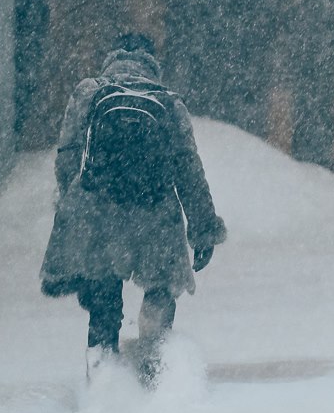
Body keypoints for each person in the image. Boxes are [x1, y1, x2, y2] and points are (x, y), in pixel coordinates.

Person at [40, 33, 226, 384]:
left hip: (99, 211)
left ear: (112, 58)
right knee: (160, 289)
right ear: (152, 63)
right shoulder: (168, 101)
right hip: (156, 213)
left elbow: (67, 156)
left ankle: (102, 384)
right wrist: (203, 230)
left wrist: (73, 203)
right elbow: (189, 169)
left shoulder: (90, 91)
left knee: (103, 305)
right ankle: (156, 373)